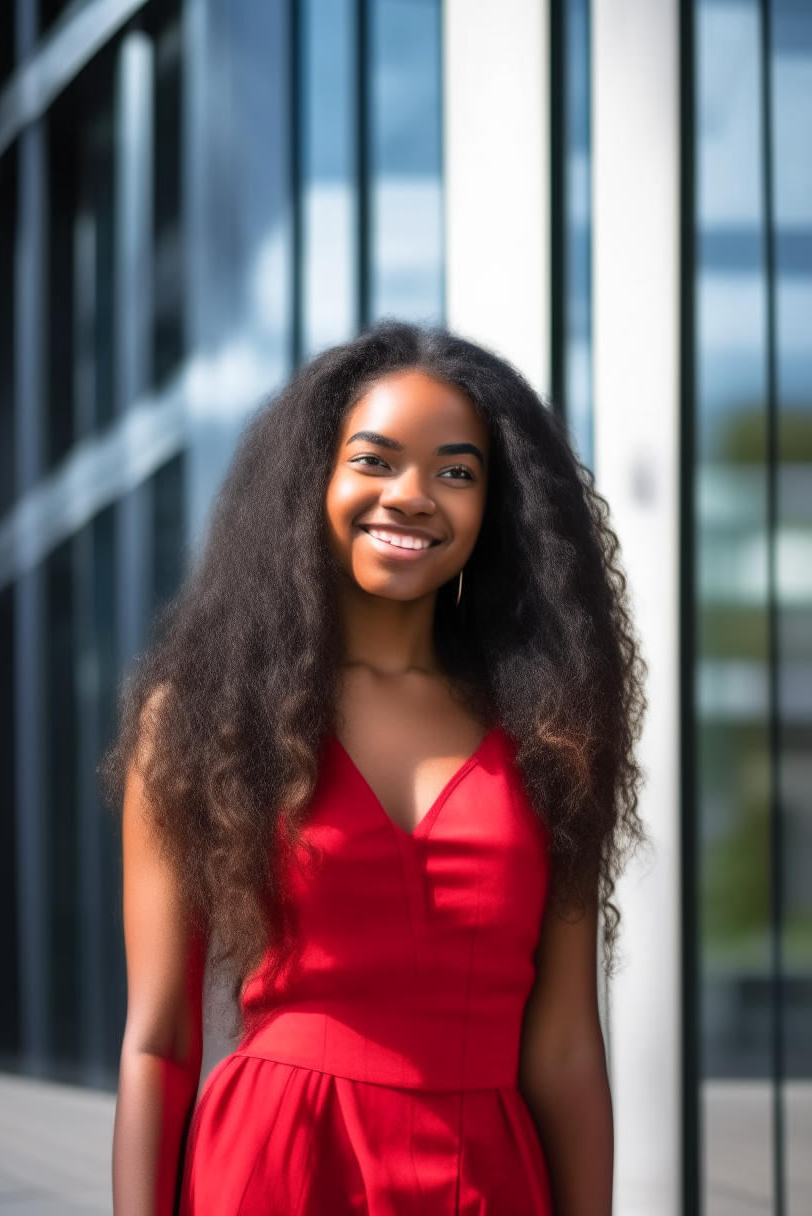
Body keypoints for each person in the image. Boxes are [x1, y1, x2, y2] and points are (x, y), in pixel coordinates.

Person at [107, 323, 644, 1216]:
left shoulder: (551, 735)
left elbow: (564, 1048)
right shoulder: (204, 719)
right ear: (315, 478)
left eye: (457, 472)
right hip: (272, 1169)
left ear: (499, 508)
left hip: (486, 1179)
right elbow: (158, 1042)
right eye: (375, 460)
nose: (414, 495)